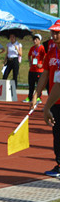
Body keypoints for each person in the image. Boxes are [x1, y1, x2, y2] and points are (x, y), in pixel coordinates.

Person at [32, 20, 60, 177]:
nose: (54, 35)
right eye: (53, 32)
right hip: (55, 101)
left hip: (55, 100)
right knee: (57, 133)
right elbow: (46, 74)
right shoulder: (52, 51)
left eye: (57, 32)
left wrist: (46, 106)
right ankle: (59, 164)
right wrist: (37, 93)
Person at [27, 33, 45, 103]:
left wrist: (42, 64)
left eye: (37, 39)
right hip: (32, 69)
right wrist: (30, 62)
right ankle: (29, 97)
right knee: (31, 84)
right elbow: (29, 55)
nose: (35, 41)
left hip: (39, 70)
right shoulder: (32, 48)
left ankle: (38, 97)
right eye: (34, 39)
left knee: (39, 85)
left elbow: (45, 57)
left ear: (39, 40)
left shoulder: (42, 48)